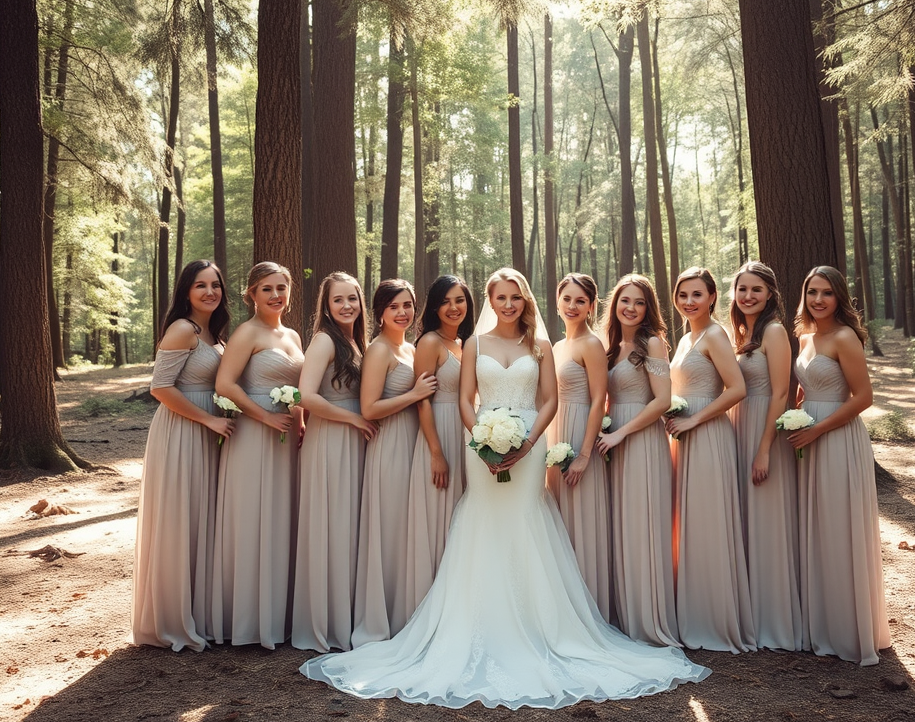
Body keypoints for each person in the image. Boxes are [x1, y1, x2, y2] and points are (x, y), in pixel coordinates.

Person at [300, 268, 709, 709]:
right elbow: (463, 398)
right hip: (480, 449)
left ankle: (538, 628)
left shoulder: (541, 345)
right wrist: (481, 441)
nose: (508, 304)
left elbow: (549, 399)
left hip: (529, 448)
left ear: (526, 299)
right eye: (500, 298)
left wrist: (529, 442)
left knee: (527, 525)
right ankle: (478, 626)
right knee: (481, 525)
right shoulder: (474, 343)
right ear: (490, 301)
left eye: (515, 297)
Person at [790, 265, 891, 665]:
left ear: (839, 298)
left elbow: (863, 397)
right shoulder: (804, 335)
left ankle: (849, 630)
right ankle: (820, 624)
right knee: (814, 526)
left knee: (838, 526)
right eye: (812, 292)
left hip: (837, 436)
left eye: (826, 293)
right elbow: (806, 386)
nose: (818, 300)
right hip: (807, 435)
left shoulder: (846, 337)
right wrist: (796, 417)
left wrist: (817, 430)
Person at [132, 260, 232, 651]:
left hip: (210, 431)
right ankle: (172, 619)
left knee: (201, 519)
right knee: (180, 519)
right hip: (182, 431)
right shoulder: (182, 329)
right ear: (185, 292)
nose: (210, 292)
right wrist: (209, 420)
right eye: (200, 285)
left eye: (216, 285)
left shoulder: (214, 332)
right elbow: (160, 388)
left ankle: (201, 612)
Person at [210, 261, 304, 649]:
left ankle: (278, 614)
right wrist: (264, 415)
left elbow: (299, 387)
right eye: (267, 289)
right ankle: (248, 618)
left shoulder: (293, 335)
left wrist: (298, 421)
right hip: (253, 435)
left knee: (281, 517)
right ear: (251, 293)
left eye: (281, 288)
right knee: (253, 517)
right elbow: (225, 383)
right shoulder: (246, 333)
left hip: (287, 440)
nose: (275, 295)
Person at [667, 266, 755, 653]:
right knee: (688, 524)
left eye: (697, 294)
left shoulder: (716, 334)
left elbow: (737, 389)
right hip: (683, 434)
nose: (689, 301)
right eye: (683, 294)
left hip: (708, 434)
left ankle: (714, 619)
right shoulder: (686, 337)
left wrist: (694, 420)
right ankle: (692, 610)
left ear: (713, 297)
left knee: (707, 521)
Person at [292, 272, 377, 652]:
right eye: (338, 300)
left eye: (352, 299)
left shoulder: (356, 342)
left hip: (355, 441)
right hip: (330, 440)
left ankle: (350, 614)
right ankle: (325, 622)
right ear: (326, 307)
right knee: (332, 525)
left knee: (350, 526)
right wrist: (354, 419)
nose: (346, 306)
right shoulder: (324, 340)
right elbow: (305, 396)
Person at [352, 279, 438, 647]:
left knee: (408, 529)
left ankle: (409, 612)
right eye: (394, 307)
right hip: (389, 443)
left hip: (413, 442)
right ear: (380, 313)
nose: (402, 313)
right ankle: (381, 616)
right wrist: (415, 394)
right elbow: (369, 408)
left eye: (407, 306)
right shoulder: (379, 350)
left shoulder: (409, 348)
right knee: (388, 528)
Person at [597, 274, 680, 645]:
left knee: (642, 527)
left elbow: (662, 401)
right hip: (613, 442)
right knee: (621, 526)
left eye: (639, 302)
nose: (630, 308)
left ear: (649, 308)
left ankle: (647, 620)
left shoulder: (654, 344)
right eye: (624, 301)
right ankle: (622, 615)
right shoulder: (611, 346)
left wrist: (621, 433)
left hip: (642, 441)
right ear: (614, 305)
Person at [728, 261, 803, 651]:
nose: (748, 296)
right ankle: (751, 611)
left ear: (770, 294)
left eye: (756, 289)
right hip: (740, 425)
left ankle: (776, 620)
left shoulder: (774, 331)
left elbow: (780, 392)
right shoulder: (743, 332)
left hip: (765, 429)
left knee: (767, 520)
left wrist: (764, 448)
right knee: (746, 520)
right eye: (742, 289)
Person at [404, 275, 474, 614]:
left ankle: (456, 604)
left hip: (464, 436)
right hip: (438, 435)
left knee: (460, 520)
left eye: (459, 300)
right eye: (445, 301)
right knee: (438, 517)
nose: (453, 307)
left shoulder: (464, 343)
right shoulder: (430, 342)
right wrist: (436, 453)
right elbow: (422, 401)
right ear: (434, 306)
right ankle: (428, 607)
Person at [548, 273, 611, 618]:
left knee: (581, 520)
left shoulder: (591, 344)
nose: (572, 306)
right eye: (567, 299)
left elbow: (599, 398)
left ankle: (589, 610)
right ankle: (563, 608)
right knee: (559, 522)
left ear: (591, 306)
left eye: (580, 301)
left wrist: (585, 454)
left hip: (580, 435)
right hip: (556, 433)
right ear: (557, 302)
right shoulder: (557, 347)